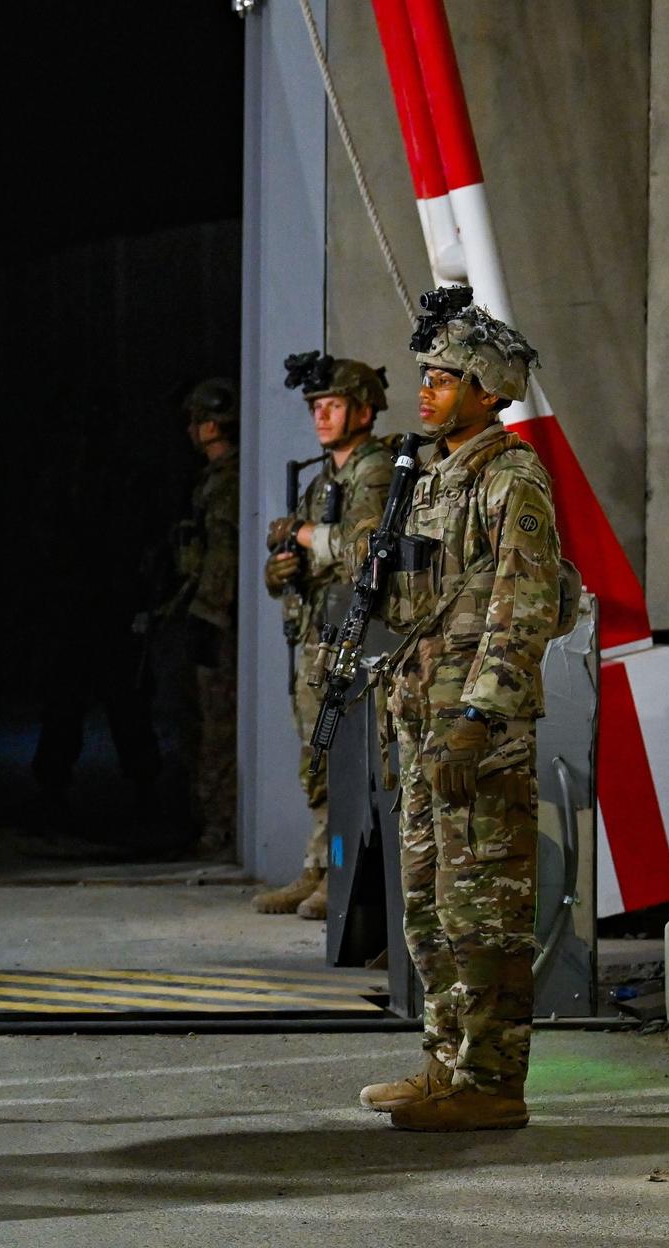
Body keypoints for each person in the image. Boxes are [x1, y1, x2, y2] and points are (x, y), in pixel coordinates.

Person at [359, 286, 559, 1132]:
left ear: (486, 389)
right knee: (430, 910)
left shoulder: (511, 479)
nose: (427, 389)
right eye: (427, 375)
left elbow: (524, 608)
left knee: (485, 908)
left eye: (445, 377)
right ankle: (446, 1062)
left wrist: (479, 718)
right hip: (424, 729)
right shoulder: (436, 476)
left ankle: (492, 1082)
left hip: (477, 737)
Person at [254, 353, 395, 918]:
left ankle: (342, 875)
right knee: (316, 759)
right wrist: (279, 571)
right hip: (320, 636)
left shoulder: (375, 472)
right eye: (316, 407)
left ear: (362, 410)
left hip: (357, 640)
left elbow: (362, 550)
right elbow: (309, 561)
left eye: (332, 405)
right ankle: (318, 865)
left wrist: (307, 534)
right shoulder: (324, 480)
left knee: (345, 759)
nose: (321, 416)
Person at [171, 378, 240, 856]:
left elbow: (223, 556)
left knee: (216, 726)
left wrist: (209, 613)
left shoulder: (229, 481)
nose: (191, 431)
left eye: (196, 421)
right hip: (206, 611)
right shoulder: (214, 478)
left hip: (217, 617)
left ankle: (218, 827)